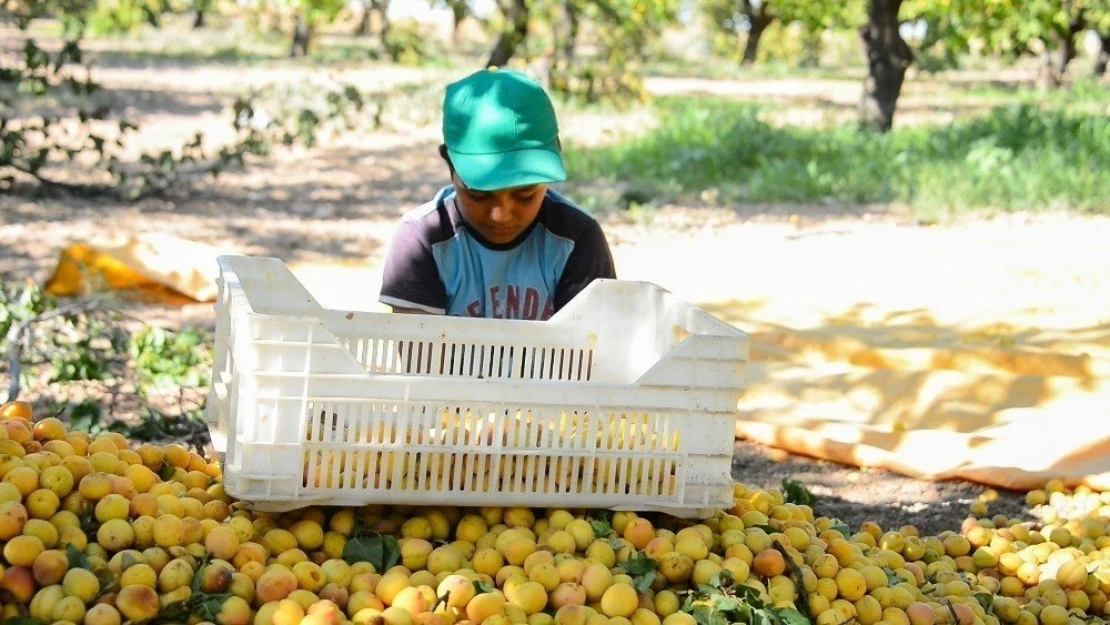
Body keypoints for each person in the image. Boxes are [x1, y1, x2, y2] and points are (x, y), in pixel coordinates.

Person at [378, 67, 617, 321]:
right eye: (479, 195)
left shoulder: (577, 240)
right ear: (450, 165)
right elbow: (421, 355)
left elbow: (589, 351)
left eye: (525, 194)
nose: (501, 215)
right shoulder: (422, 240)